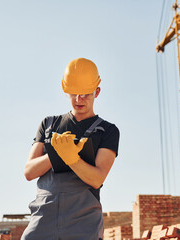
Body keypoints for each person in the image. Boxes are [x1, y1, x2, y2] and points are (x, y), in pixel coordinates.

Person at [21, 58, 120, 240]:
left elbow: (97, 179)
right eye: (73, 93)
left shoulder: (108, 130)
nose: (78, 99)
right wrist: (55, 154)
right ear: (65, 90)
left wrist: (72, 158)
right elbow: (28, 172)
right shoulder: (48, 124)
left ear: (97, 92)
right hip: (43, 217)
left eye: (85, 94)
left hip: (83, 221)